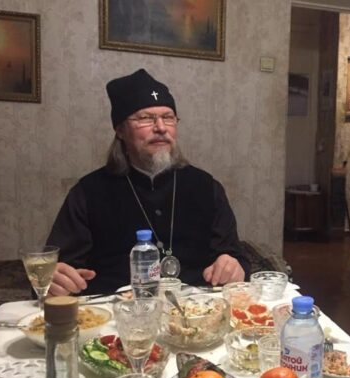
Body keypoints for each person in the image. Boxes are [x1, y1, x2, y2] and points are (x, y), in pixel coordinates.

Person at [47, 69, 248, 295]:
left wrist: (234, 266)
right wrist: (55, 280)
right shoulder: (88, 192)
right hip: (114, 310)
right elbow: (58, 271)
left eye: (168, 117)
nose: (161, 127)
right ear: (120, 130)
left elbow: (235, 258)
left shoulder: (206, 187)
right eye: (145, 118)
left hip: (197, 309)